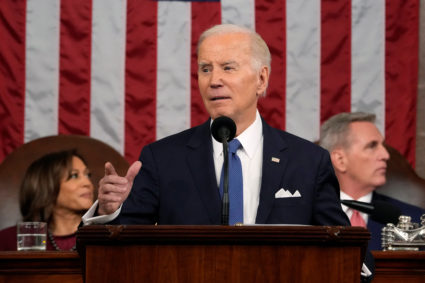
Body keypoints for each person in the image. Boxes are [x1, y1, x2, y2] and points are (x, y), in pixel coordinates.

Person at [83, 23, 373, 281]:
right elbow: (114, 256)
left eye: (228, 67)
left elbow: (350, 254)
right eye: (205, 69)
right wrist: (110, 213)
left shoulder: (308, 161)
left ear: (261, 79)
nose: (214, 80)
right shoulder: (162, 158)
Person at [319, 112, 425, 250]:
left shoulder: (416, 222)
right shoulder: (303, 217)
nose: (386, 155)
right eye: (372, 146)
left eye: (383, 146)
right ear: (340, 160)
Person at [0, 149, 95, 251]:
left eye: (87, 175)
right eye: (74, 175)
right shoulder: (6, 241)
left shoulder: (104, 235)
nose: (87, 183)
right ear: (46, 186)